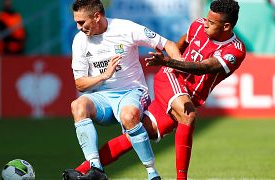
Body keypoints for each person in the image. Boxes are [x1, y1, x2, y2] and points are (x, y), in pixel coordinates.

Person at [64, 0, 246, 179]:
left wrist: (169, 60)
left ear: (226, 26)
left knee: (137, 134)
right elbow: (183, 41)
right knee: (188, 114)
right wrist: (173, 61)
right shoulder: (198, 25)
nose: (205, 24)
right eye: (206, 19)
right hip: (171, 78)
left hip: (187, 93)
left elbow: (205, 67)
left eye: (211, 23)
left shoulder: (235, 51)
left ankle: (82, 171)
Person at [62, 0, 181, 180]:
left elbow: (168, 44)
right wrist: (104, 76)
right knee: (78, 105)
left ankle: (152, 173)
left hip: (132, 92)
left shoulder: (125, 28)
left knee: (128, 116)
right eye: (76, 22)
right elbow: (80, 84)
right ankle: (96, 170)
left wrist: (181, 68)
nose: (78, 27)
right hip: (103, 98)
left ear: (96, 16)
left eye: (81, 22)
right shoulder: (79, 41)